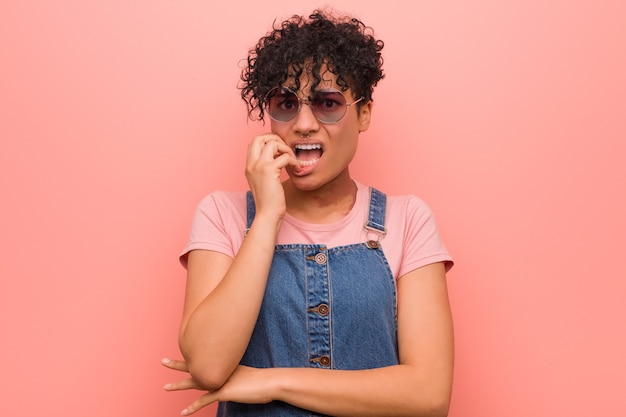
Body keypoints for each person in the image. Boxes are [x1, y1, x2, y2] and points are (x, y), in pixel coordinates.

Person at [162, 9, 455, 417]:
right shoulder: (222, 216)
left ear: (364, 113)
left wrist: (270, 380)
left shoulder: (408, 221)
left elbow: (428, 395)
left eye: (327, 103)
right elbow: (210, 366)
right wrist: (266, 217)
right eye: (285, 103)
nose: (303, 124)